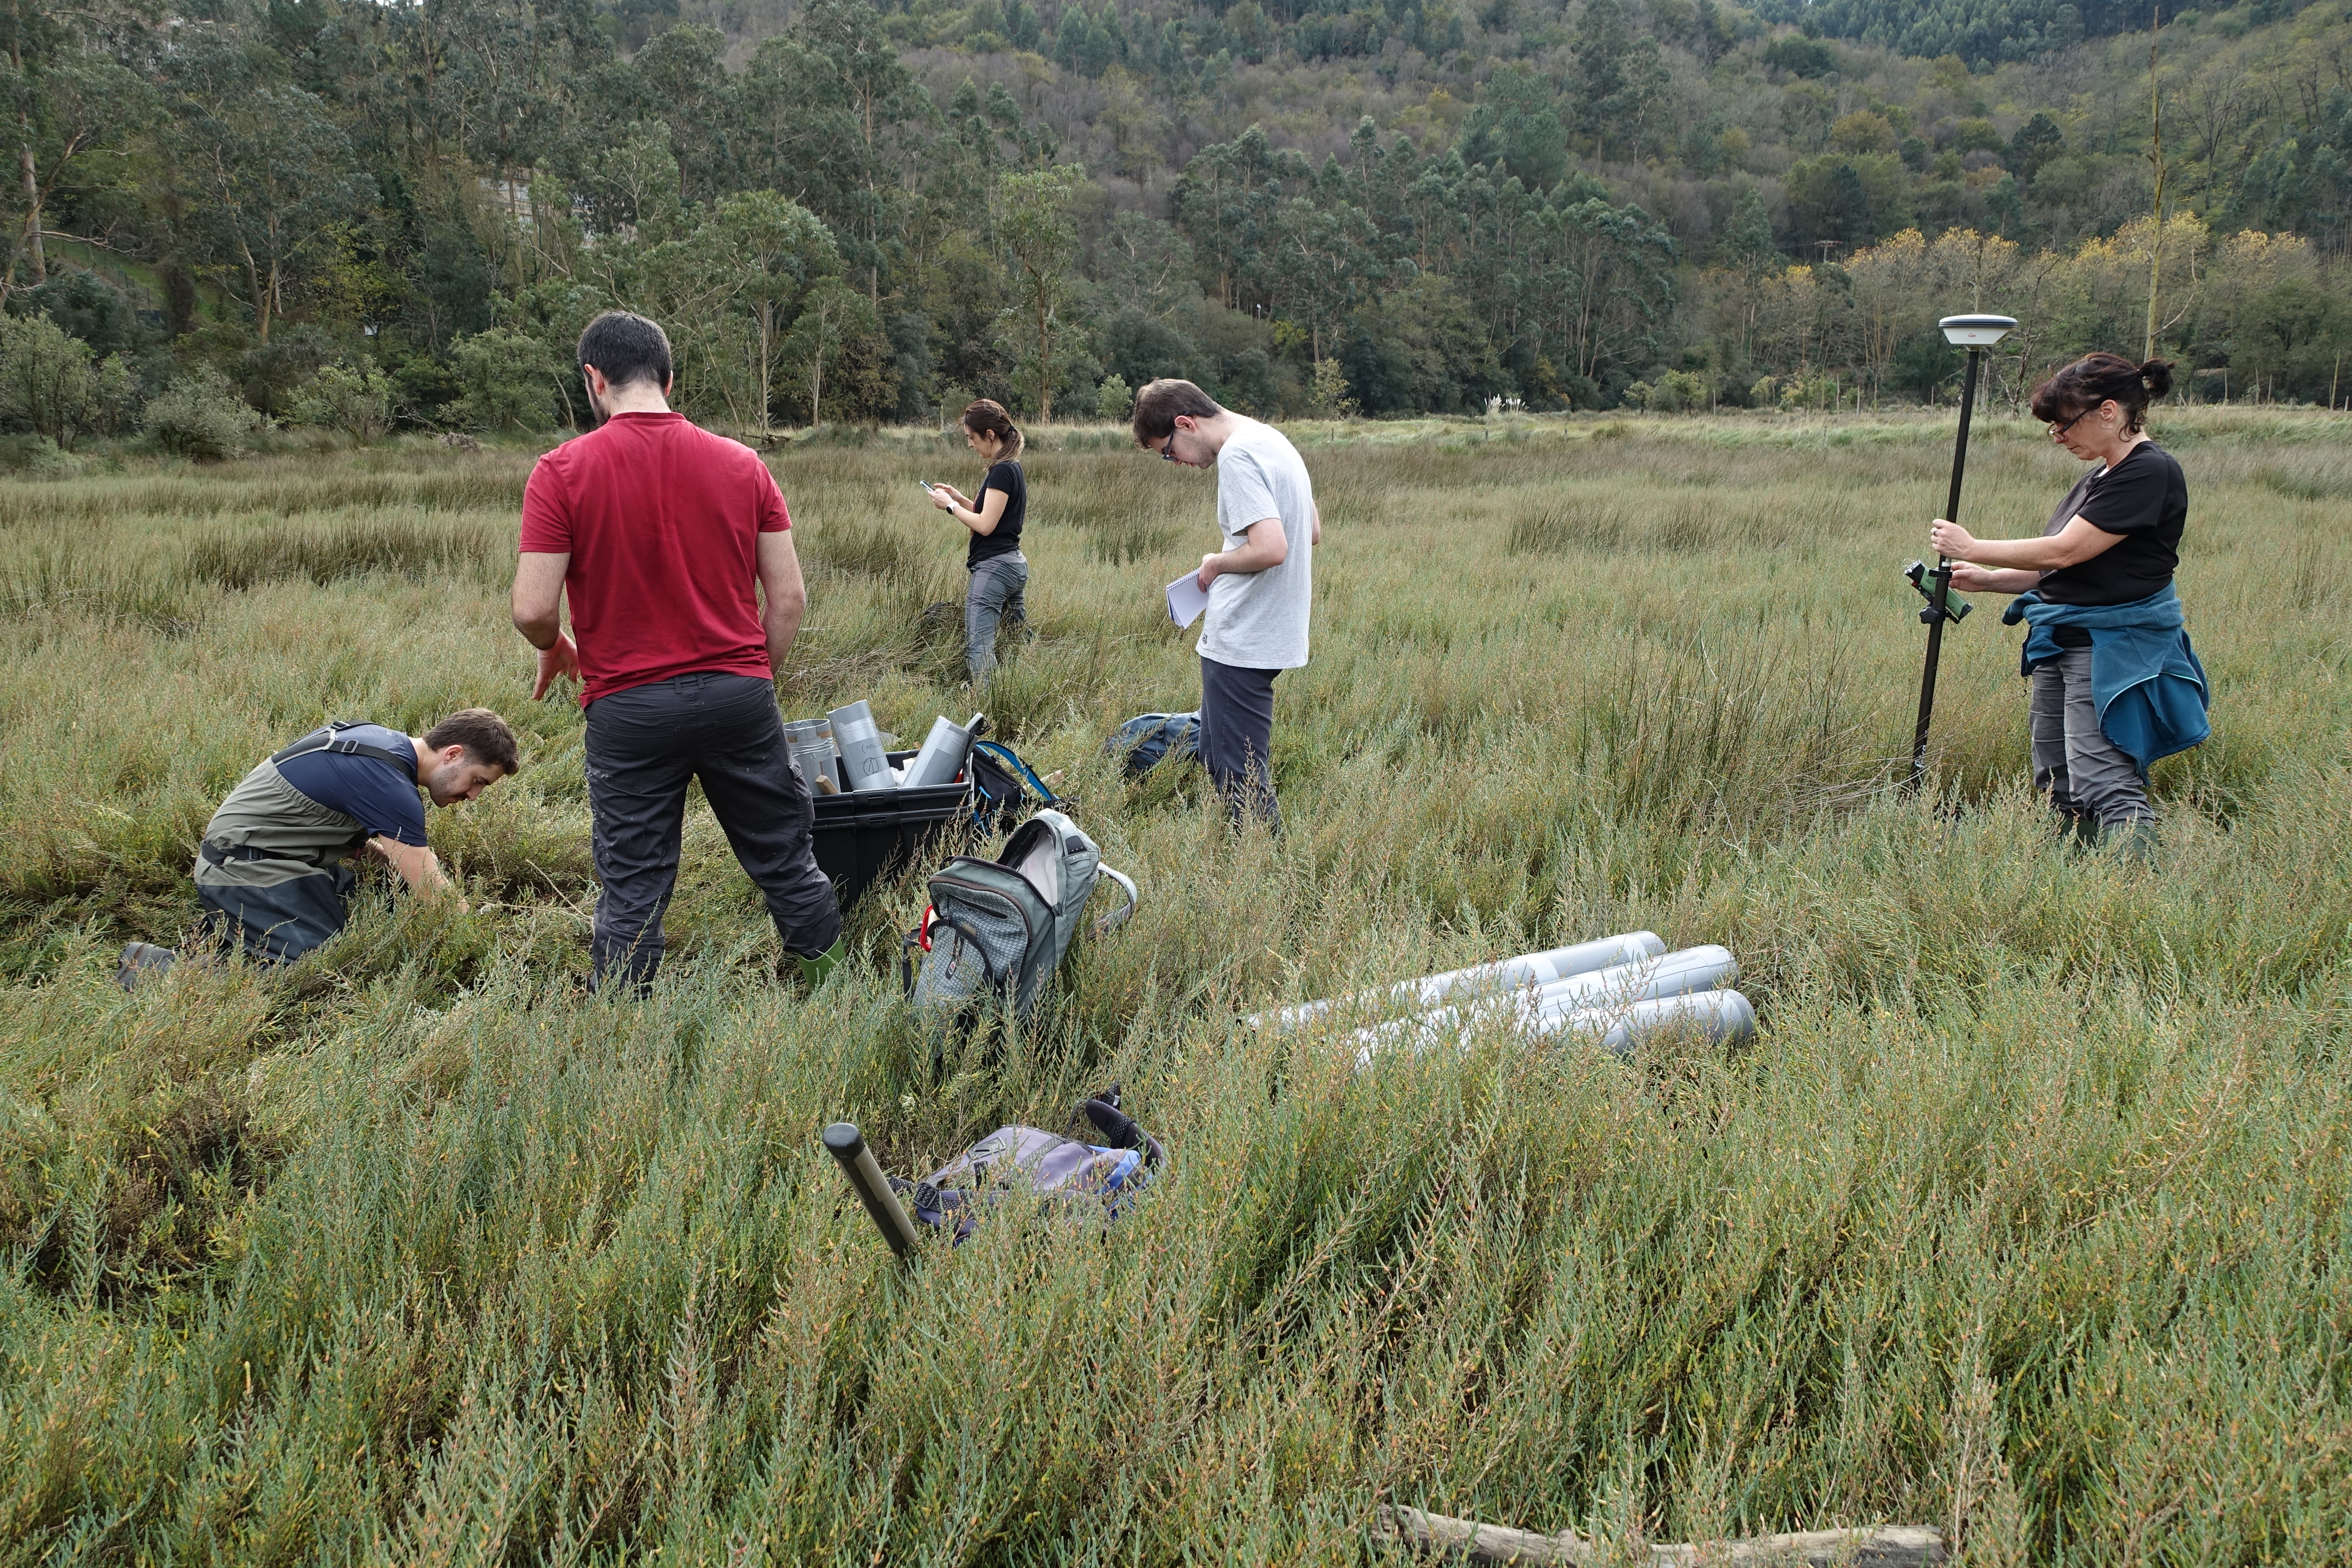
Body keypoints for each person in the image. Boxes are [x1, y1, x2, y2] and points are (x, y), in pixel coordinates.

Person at [511, 310, 844, 989]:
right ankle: (836, 990)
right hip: (739, 696)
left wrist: (556, 645)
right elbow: (788, 600)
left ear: (594, 379)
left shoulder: (561, 471)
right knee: (786, 861)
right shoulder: (744, 465)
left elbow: (533, 609)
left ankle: (622, 1022)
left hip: (629, 709)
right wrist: (752, 678)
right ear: (669, 378)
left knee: (634, 884)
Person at [1929, 352, 2208, 855]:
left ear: (2109, 411)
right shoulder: (2100, 476)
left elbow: (2065, 551)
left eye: (2064, 423)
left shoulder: (2149, 471)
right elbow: (2063, 571)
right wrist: (1988, 580)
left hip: (2109, 646)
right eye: (2053, 427)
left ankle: (2132, 888)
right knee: (2056, 777)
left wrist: (1973, 546)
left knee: (2103, 779)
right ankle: (2075, 872)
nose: (2058, 436)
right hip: (2064, 641)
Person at [116, 709, 519, 985]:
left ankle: (235, 933)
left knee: (383, 903)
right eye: (477, 781)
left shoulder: (379, 743)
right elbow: (432, 891)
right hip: (244, 872)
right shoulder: (389, 783)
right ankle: (152, 967)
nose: (473, 796)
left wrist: (387, 865)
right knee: (316, 972)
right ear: (453, 754)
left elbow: (366, 845)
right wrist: (489, 946)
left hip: (277, 861)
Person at [1130, 378, 1320, 828]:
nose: (1176, 463)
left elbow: (1272, 548)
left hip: (1244, 636)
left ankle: (1262, 864)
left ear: (1185, 424)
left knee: (1241, 777)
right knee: (1216, 752)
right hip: (1273, 631)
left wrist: (1215, 564)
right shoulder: (1273, 440)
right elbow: (1312, 530)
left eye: (1168, 452)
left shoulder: (1237, 454)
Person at [924, 399, 1029, 683]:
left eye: (972, 438)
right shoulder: (1011, 467)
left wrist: (949, 507)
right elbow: (991, 517)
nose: (970, 444)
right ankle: (1023, 686)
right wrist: (959, 499)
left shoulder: (1001, 471)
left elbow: (985, 525)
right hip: (1013, 565)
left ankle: (985, 703)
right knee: (1016, 639)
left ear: (990, 435)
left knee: (979, 645)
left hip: (994, 570)